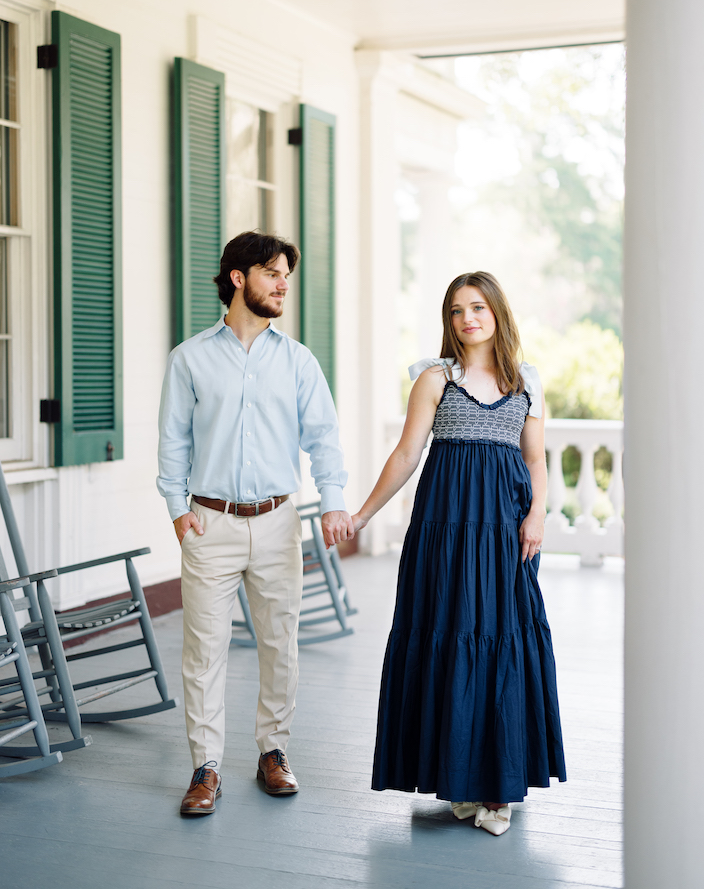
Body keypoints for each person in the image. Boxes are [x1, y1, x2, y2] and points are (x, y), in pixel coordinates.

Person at [352, 271, 566, 836]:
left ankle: (498, 790)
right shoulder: (434, 379)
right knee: (447, 638)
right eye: (455, 310)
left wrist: (538, 513)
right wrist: (363, 515)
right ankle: (460, 781)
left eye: (476, 307)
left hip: (504, 535)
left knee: (499, 643)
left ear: (497, 312)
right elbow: (405, 455)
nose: (466, 318)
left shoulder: (527, 381)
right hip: (444, 535)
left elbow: (537, 461)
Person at [157, 231, 353, 817]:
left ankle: (273, 752)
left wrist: (335, 500)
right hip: (209, 523)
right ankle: (205, 767)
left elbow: (324, 439)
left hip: (276, 522)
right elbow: (173, 440)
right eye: (272, 273)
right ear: (239, 278)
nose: (283, 285)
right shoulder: (189, 358)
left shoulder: (298, 361)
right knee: (204, 651)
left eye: (286, 275)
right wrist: (176, 509)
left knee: (279, 644)